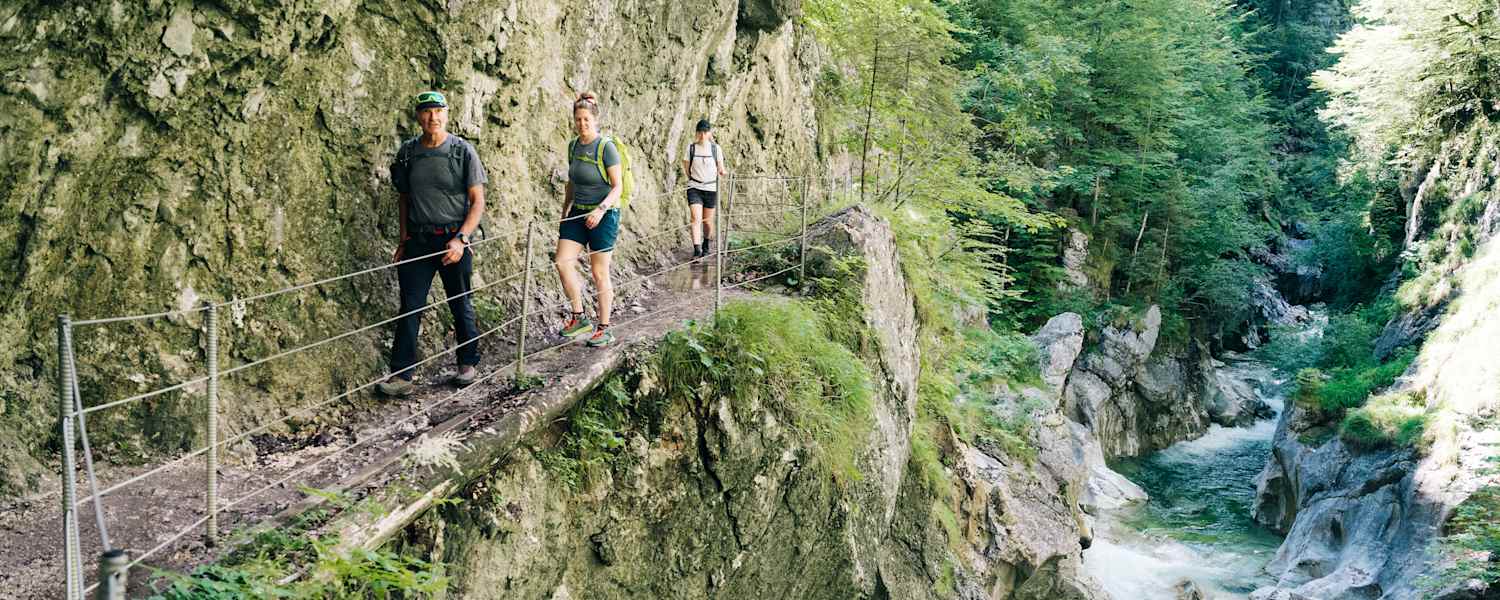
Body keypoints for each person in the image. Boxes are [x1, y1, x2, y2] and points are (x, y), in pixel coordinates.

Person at [377, 91, 487, 397]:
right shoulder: (408, 153)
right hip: (419, 240)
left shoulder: (462, 151)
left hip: (454, 238)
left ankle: (467, 363)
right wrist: (403, 239)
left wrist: (462, 239)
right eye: (426, 112)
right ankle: (402, 376)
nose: (433, 117)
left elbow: (478, 202)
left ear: (447, 115)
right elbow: (404, 198)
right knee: (410, 307)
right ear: (418, 117)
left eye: (438, 111)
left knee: (460, 301)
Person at [556, 91, 623, 348]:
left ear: (595, 119)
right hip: (578, 212)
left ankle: (604, 327)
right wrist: (565, 212)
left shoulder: (607, 148)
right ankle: (579, 317)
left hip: (604, 215)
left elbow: (617, 186)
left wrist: (601, 210)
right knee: (563, 262)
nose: (582, 124)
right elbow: (572, 182)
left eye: (586, 119)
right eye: (578, 119)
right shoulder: (573, 146)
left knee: (599, 272)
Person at [682, 119, 726, 258]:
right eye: (700, 132)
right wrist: (693, 178)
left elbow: (721, 168)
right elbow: (686, 166)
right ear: (696, 132)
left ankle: (706, 243)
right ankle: (697, 250)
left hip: (711, 189)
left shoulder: (715, 149)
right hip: (694, 187)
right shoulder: (691, 148)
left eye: (705, 132)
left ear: (709, 133)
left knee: (707, 222)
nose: (702, 135)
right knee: (695, 218)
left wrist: (723, 172)